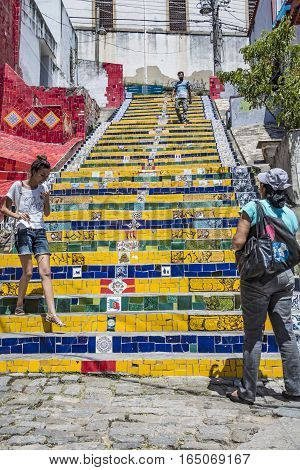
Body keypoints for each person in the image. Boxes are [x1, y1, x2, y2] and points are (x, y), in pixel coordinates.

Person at [227, 168, 300, 404]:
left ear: (264, 188)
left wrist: (235, 247)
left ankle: (248, 392)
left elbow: (239, 241)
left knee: (253, 335)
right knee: (286, 334)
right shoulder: (290, 214)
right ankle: (294, 387)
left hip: (258, 278)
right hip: (284, 276)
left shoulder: (253, 208)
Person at [0, 155, 65, 327]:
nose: (45, 178)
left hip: (40, 231)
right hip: (23, 230)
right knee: (28, 272)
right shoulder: (18, 186)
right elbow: (3, 208)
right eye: (43, 175)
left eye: (47, 176)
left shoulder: (43, 187)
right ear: (34, 172)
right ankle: (19, 303)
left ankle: (52, 313)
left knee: (46, 272)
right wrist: (18, 214)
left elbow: (47, 213)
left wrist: (47, 200)